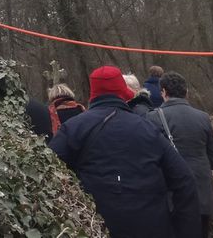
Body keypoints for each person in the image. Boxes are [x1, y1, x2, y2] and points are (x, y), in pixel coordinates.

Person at [49, 66, 200, 238]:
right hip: (151, 226)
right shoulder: (148, 129)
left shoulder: (73, 129)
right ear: (123, 92)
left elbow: (46, 174)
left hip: (96, 227)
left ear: (93, 94)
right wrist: (183, 229)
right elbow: (184, 180)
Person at [148, 71, 213, 237]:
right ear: (186, 92)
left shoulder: (152, 118)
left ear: (163, 92)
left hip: (171, 198)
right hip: (202, 197)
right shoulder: (203, 117)